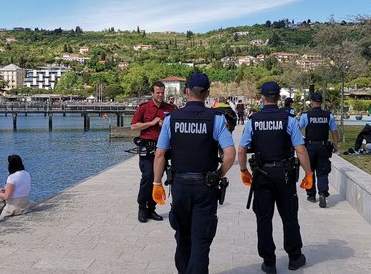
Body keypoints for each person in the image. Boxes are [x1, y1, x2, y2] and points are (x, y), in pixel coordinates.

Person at [152, 72, 235, 274]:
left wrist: (156, 183)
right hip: (205, 186)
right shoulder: (216, 119)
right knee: (201, 239)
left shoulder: (172, 119)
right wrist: (219, 174)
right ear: (207, 93)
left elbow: (160, 153)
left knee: (182, 235)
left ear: (186, 91)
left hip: (180, 186)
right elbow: (230, 154)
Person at [238, 82, 313, 273]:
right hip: (284, 174)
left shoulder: (253, 120)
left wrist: (243, 170)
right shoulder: (288, 119)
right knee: (289, 217)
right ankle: (295, 257)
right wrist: (308, 173)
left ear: (262, 98)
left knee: (263, 219)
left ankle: (269, 262)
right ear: (279, 97)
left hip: (262, 175)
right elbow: (300, 149)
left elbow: (241, 149)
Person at [131, 81, 177, 223]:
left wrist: (167, 125)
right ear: (152, 93)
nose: (160, 95)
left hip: (162, 149)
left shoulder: (170, 109)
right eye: (157, 92)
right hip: (147, 147)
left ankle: (152, 208)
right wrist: (151, 123)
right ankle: (142, 207)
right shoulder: (143, 108)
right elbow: (133, 126)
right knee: (148, 176)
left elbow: (176, 126)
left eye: (162, 92)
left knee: (157, 178)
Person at [298, 93, 339, 208]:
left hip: (309, 147)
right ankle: (322, 193)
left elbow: (298, 128)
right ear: (321, 102)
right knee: (322, 171)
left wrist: (300, 141)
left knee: (309, 170)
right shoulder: (328, 116)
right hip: (323, 147)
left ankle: (311, 194)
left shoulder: (306, 116)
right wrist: (336, 144)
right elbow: (334, 131)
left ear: (311, 102)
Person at [0, 154, 35, 223]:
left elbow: (6, 196)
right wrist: (5, 190)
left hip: (14, 208)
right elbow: (20, 189)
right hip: (25, 205)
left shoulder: (12, 177)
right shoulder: (26, 174)